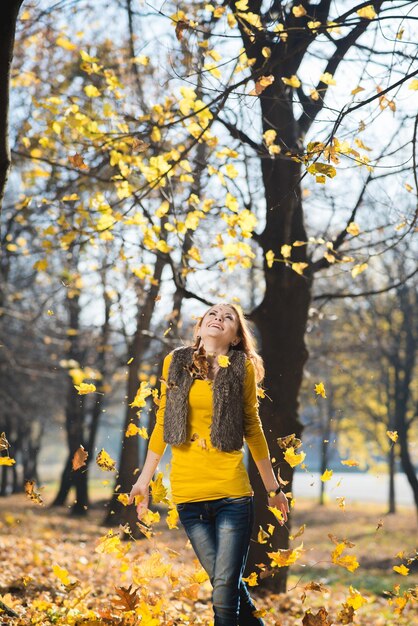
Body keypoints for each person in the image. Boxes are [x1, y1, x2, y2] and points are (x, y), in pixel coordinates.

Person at [128, 303, 289, 626]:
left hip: (232, 494)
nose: (219, 318)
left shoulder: (240, 367)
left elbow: (252, 427)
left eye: (228, 317)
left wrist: (274, 488)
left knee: (223, 595)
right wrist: (143, 480)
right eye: (212, 314)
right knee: (226, 587)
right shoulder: (175, 362)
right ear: (200, 327)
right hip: (188, 497)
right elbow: (162, 422)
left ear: (234, 337)